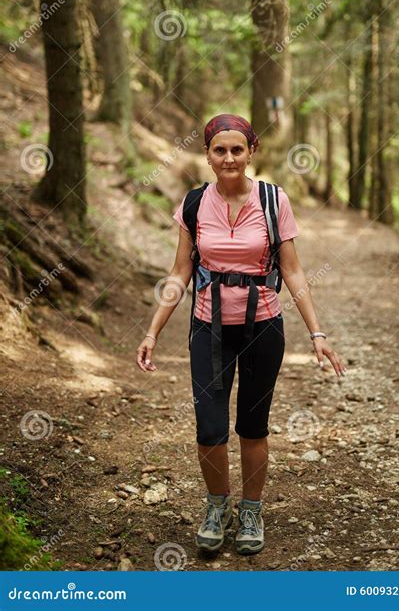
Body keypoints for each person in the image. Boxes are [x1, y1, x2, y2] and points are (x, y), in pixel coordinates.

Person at [136, 113, 346, 557]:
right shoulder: (193, 204)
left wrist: (317, 332)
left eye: (237, 149)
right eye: (219, 150)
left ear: (252, 152)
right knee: (209, 429)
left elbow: (291, 269)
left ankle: (251, 510)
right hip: (207, 331)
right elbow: (180, 272)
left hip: (263, 329)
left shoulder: (273, 200)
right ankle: (217, 508)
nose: (228, 157)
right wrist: (153, 331)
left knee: (253, 427)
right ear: (208, 155)